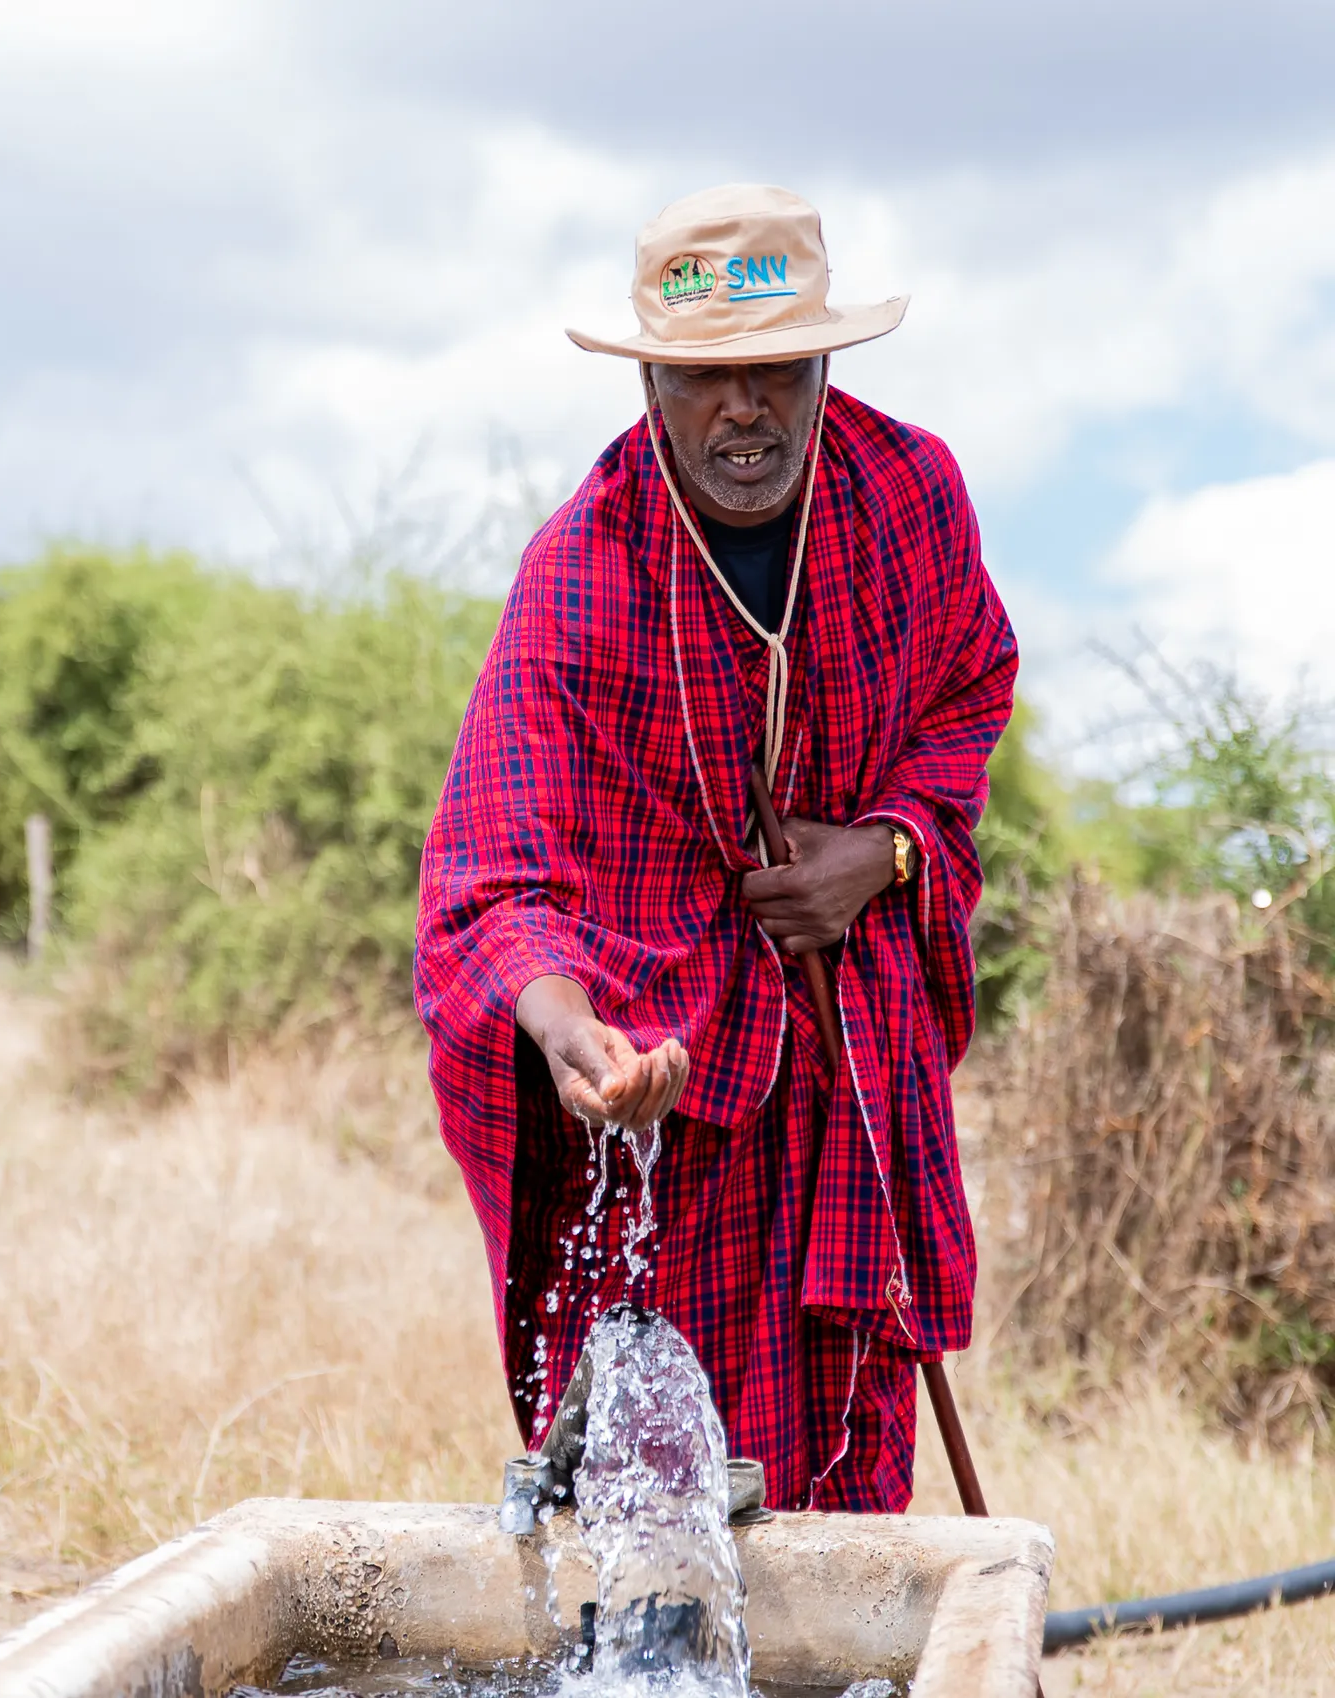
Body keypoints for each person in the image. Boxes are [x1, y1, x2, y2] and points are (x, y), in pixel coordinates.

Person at [415, 184, 1017, 1513]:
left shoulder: (909, 495)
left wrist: (888, 849)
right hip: (674, 1097)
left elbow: (970, 690)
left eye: (776, 370)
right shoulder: (583, 571)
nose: (744, 409)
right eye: (704, 378)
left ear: (822, 367)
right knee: (669, 1492)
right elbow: (494, 871)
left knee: (850, 1473)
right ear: (650, 387)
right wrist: (570, 1030)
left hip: (851, 1065)